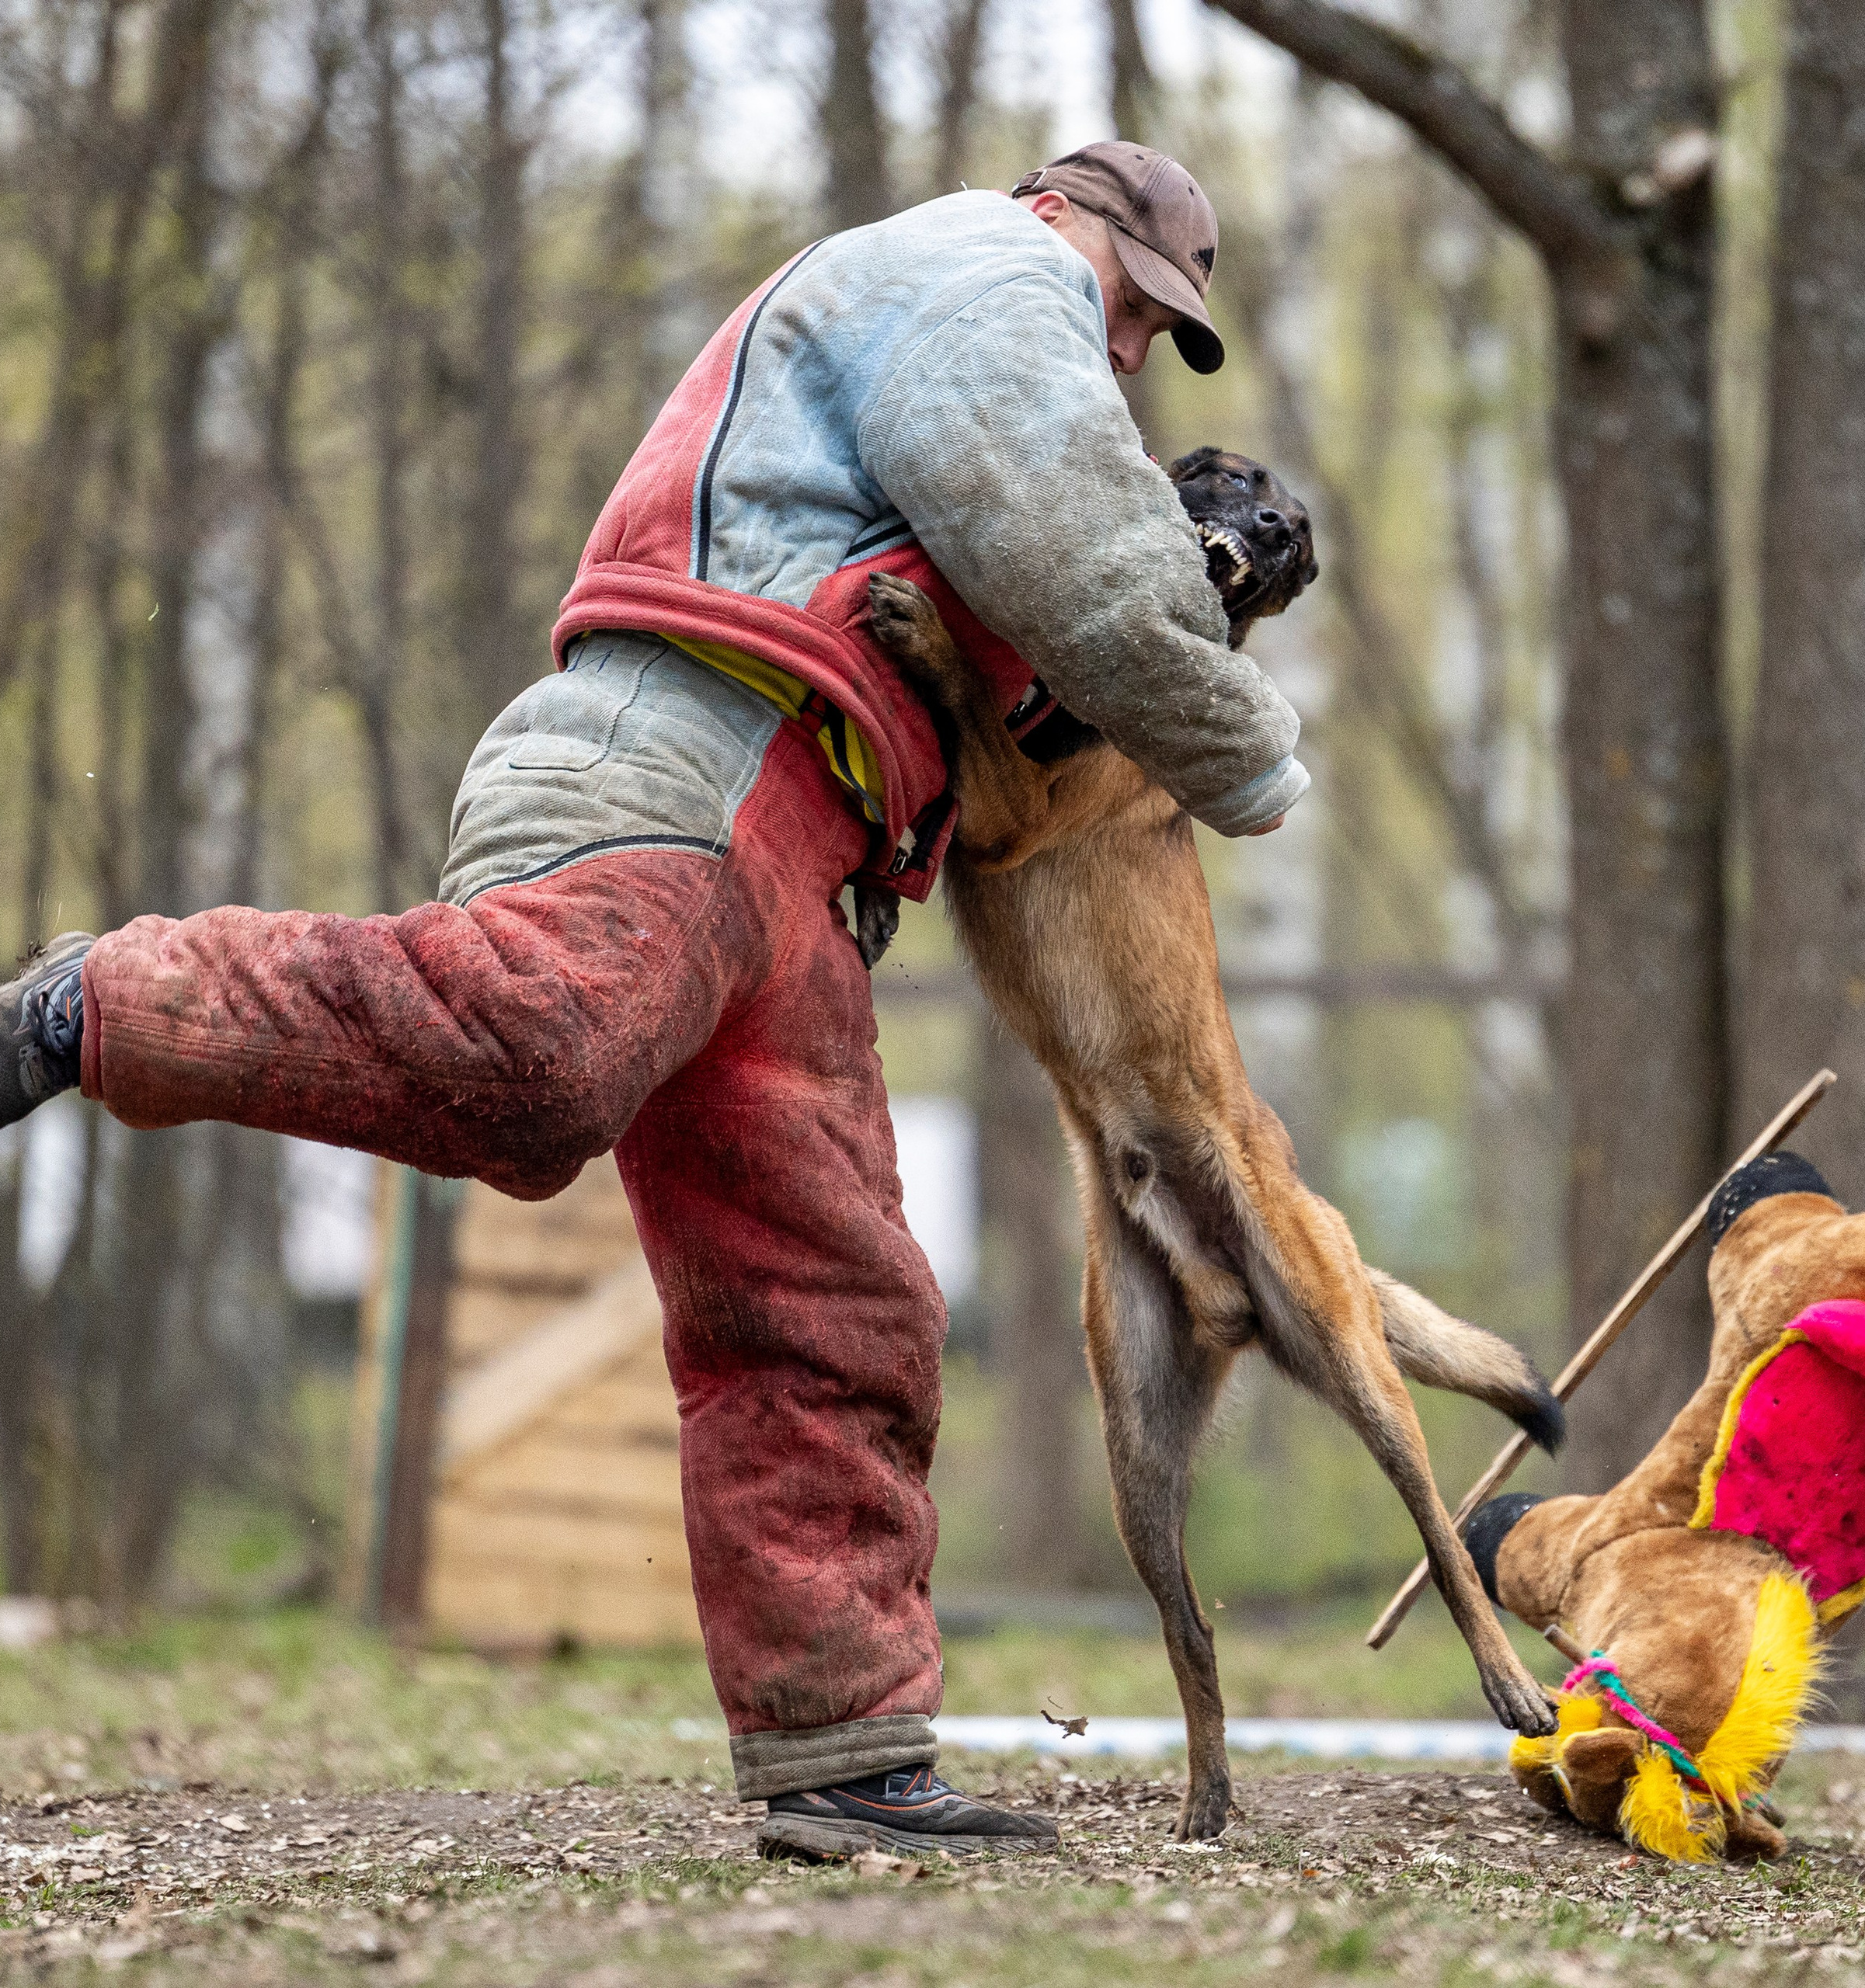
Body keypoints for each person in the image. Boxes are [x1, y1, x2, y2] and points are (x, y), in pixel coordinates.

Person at [1, 141, 1307, 1861]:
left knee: (831, 1295)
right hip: (678, 753)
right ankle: (94, 1000)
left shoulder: (985, 357)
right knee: (538, 1059)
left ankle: (842, 1748)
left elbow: (1028, 667)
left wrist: (1188, 582)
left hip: (808, 849)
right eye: (1144, 305)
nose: (1137, 346)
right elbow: (1083, 570)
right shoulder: (986, 276)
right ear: (1073, 226)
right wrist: (1251, 739)